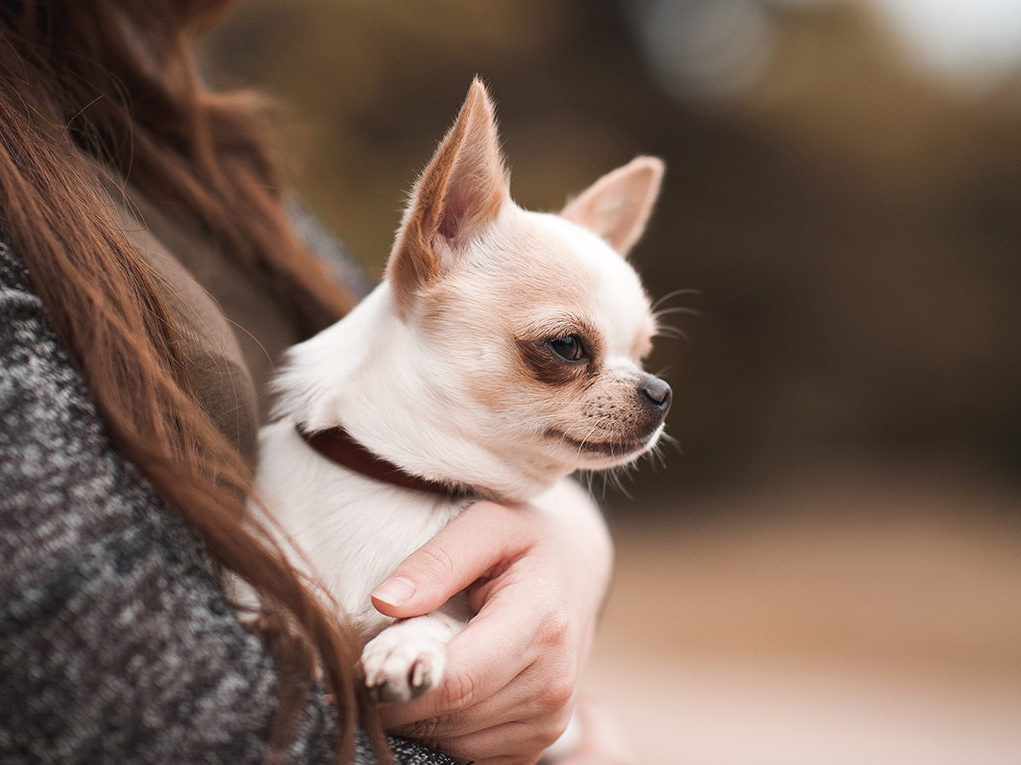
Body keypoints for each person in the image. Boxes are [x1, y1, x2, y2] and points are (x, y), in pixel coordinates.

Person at [0, 2, 615, 763]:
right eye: (561, 348)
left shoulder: (181, 111)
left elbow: (445, 376)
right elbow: (159, 719)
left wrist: (570, 550)